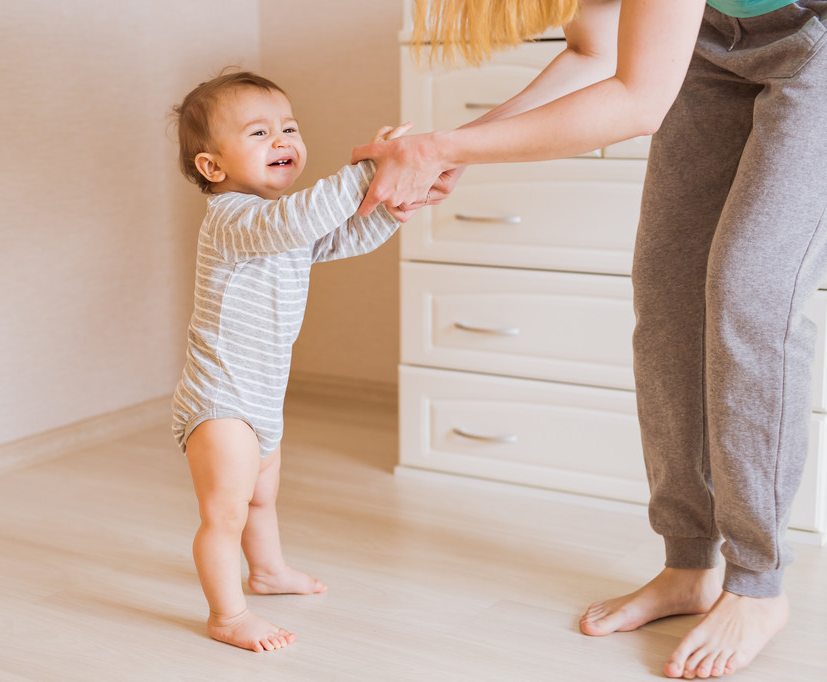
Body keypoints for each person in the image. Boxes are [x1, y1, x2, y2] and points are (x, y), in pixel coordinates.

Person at [352, 0, 827, 678]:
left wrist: (445, 148)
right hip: (707, 43)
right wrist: (464, 141)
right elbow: (592, 53)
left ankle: (756, 583)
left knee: (749, 293)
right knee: (665, 294)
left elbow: (635, 103)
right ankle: (686, 561)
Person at [170, 69, 409, 652]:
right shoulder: (233, 218)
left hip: (262, 396)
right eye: (259, 132)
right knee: (224, 513)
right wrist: (369, 171)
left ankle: (269, 571)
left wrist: (395, 204)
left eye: (289, 128)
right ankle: (226, 615)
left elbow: (340, 237)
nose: (282, 140)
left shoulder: (280, 227)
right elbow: (300, 220)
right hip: (220, 400)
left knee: (262, 497)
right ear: (213, 168)